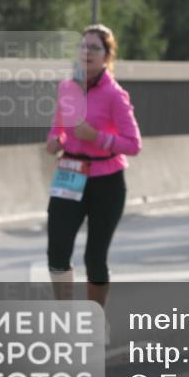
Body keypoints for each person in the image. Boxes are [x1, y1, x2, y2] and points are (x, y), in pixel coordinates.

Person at [46, 24, 142, 307]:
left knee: (95, 258)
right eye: (83, 46)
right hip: (70, 176)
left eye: (95, 47)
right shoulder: (66, 87)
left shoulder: (115, 94)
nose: (87, 52)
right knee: (57, 252)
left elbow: (133, 144)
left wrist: (97, 137)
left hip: (106, 181)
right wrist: (55, 140)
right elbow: (58, 127)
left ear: (107, 56)